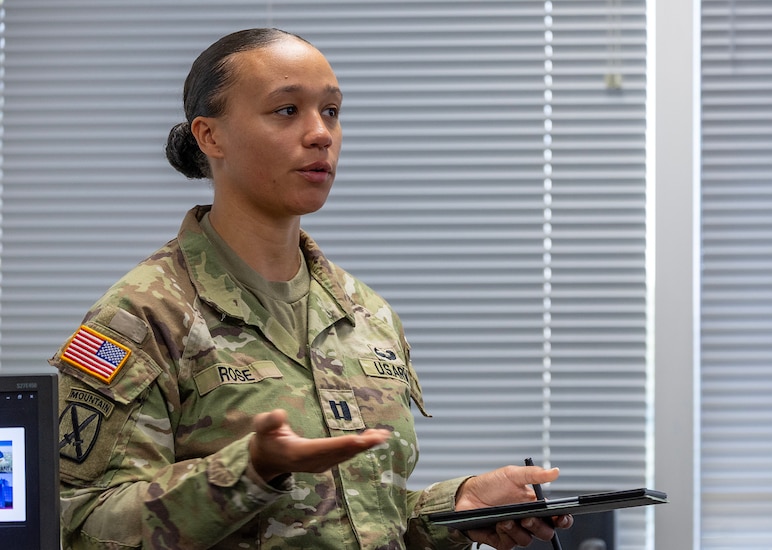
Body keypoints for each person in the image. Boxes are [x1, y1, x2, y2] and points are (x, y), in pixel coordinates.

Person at [51, 27, 572, 550]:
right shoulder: (144, 315)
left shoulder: (365, 313)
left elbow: (356, 520)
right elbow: (79, 520)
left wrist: (453, 510)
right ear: (211, 137)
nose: (320, 133)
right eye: (286, 111)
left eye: (331, 111)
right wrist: (248, 472)